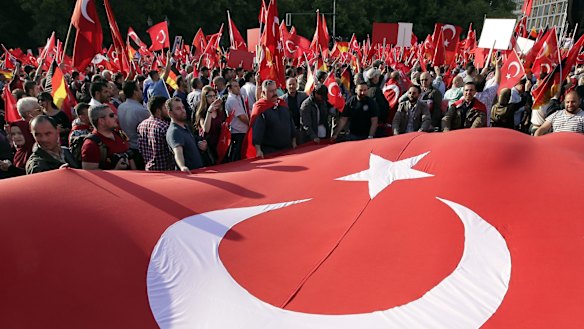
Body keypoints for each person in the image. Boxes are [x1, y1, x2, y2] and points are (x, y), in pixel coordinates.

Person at [81, 104, 136, 170]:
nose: (116, 117)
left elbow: (130, 157)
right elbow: (91, 174)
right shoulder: (91, 145)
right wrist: (116, 170)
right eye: (111, 116)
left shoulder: (119, 134)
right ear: (101, 121)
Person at [252, 80, 297, 157]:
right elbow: (257, 132)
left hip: (288, 148)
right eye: (271, 91)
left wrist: (294, 141)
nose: (274, 93)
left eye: (275, 90)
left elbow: (291, 123)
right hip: (271, 151)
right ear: (263, 93)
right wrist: (258, 150)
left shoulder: (283, 104)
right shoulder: (260, 109)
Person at [166, 97, 205, 173]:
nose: (183, 110)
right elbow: (178, 152)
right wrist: (182, 166)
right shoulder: (174, 131)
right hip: (190, 174)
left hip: (199, 171)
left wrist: (201, 144)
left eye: (183, 107)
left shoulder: (185, 126)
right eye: (178, 109)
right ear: (170, 113)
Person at [117, 80, 150, 169]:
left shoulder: (120, 107)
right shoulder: (141, 111)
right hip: (139, 151)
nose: (141, 91)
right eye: (139, 89)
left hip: (127, 147)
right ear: (135, 92)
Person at [137, 96, 176, 171]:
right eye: (166, 108)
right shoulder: (164, 127)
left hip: (149, 170)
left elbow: (141, 149)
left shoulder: (141, 125)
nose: (169, 111)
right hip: (166, 170)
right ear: (158, 111)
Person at [194, 86, 225, 165]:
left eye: (214, 96)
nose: (213, 99)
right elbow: (206, 129)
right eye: (210, 96)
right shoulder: (202, 113)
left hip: (220, 144)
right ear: (205, 98)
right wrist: (209, 112)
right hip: (209, 146)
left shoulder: (219, 110)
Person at [224, 81, 249, 162]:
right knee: (237, 156)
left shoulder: (238, 97)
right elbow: (241, 116)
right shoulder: (232, 100)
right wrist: (251, 123)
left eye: (238, 86)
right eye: (235, 86)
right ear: (229, 89)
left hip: (242, 129)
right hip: (238, 131)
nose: (238, 88)